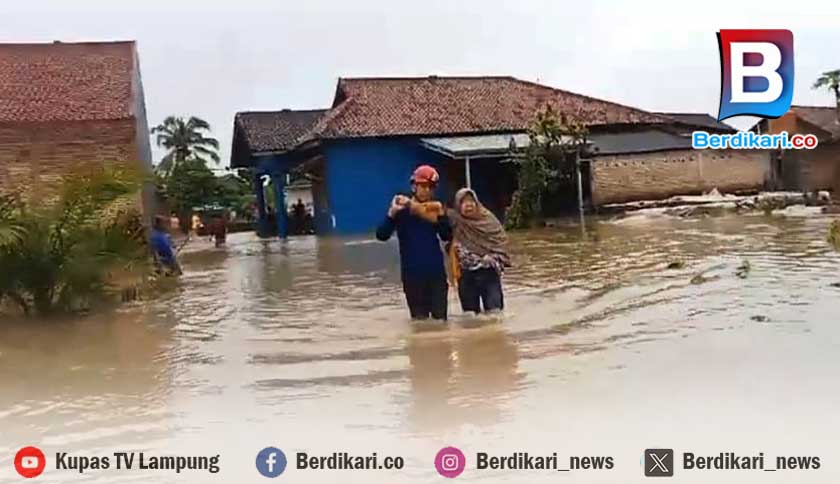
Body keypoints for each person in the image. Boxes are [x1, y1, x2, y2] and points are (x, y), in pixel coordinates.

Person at [411, 188, 510, 314]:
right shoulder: (454, 220)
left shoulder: (488, 220)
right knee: (470, 316)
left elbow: (500, 242)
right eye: (464, 202)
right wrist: (413, 205)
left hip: (489, 273)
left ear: (477, 203)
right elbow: (433, 217)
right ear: (458, 205)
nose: (469, 205)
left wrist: (493, 257)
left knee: (495, 314)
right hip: (465, 275)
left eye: (471, 201)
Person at [376, 165, 452, 321]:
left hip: (436, 274)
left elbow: (447, 235)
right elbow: (381, 235)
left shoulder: (435, 210)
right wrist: (391, 214)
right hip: (412, 276)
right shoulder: (401, 211)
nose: (426, 190)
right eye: (422, 186)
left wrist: (442, 217)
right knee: (420, 323)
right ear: (414, 186)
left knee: (441, 321)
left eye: (430, 187)